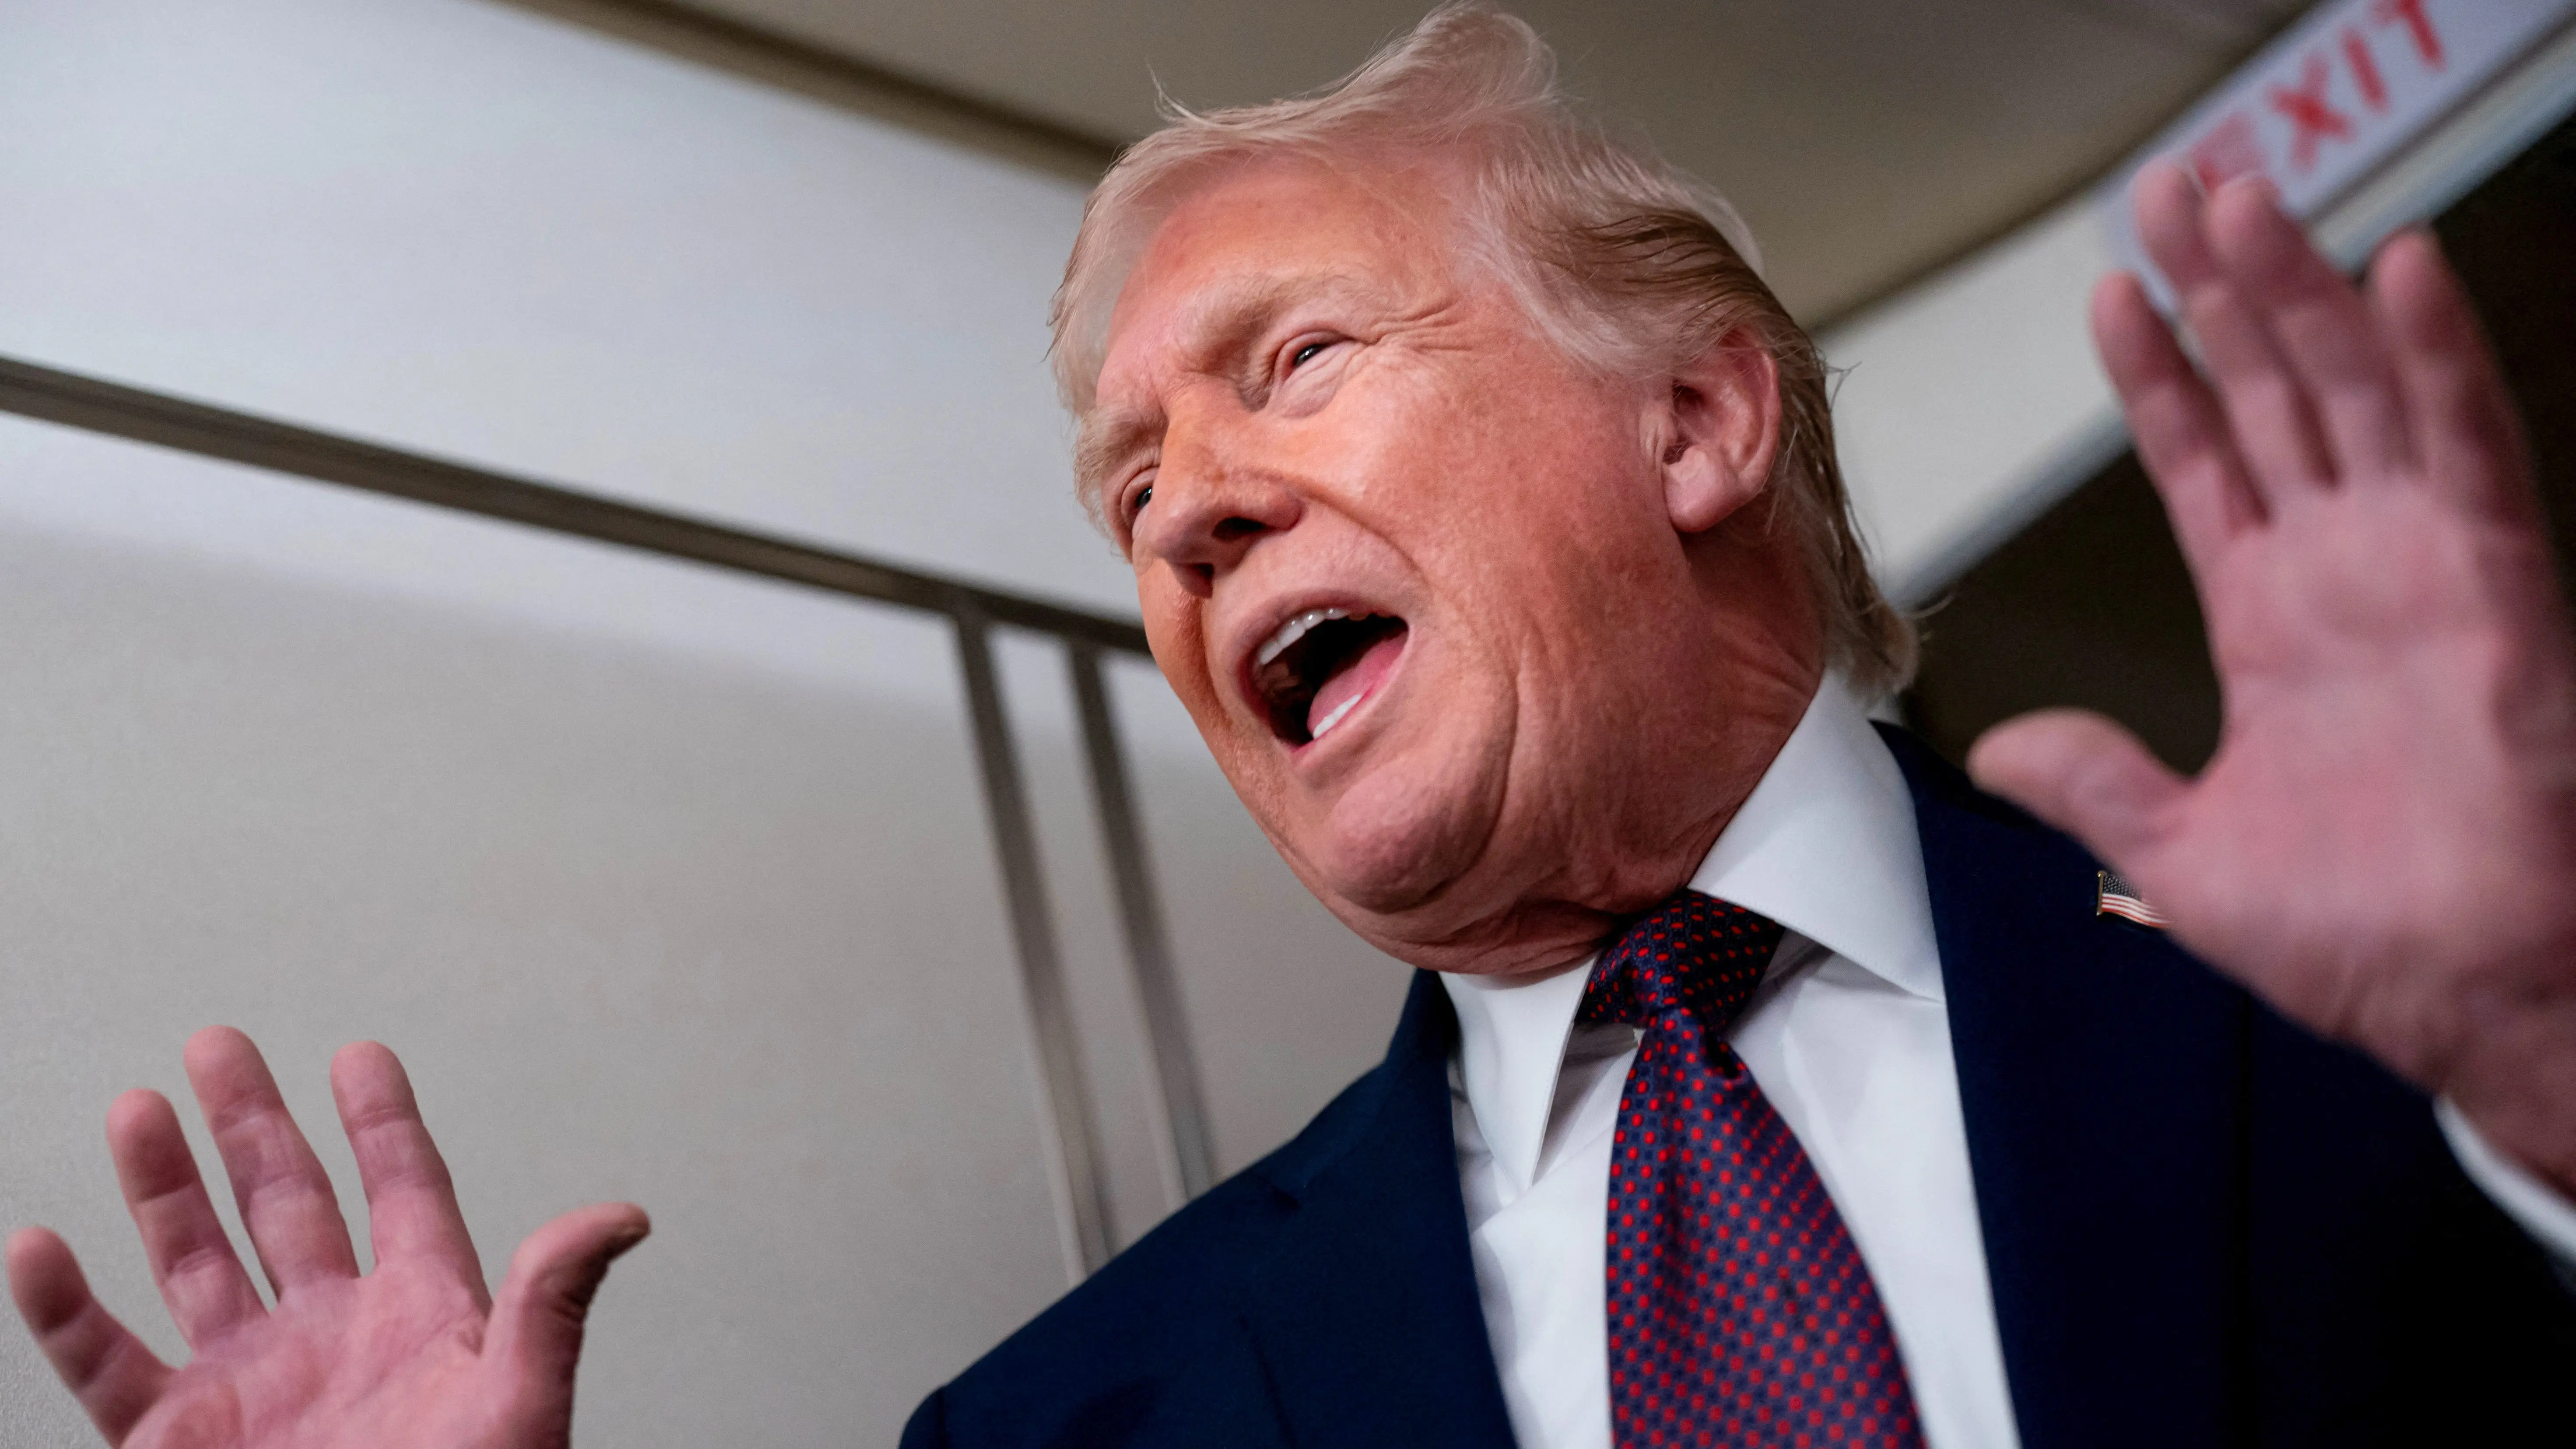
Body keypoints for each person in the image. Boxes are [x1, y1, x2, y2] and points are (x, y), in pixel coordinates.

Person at [11, 7, 2576, 1446]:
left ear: (1692, 423)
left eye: (1299, 369)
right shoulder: (1057, 1432)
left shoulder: (2372, 1020)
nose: (1189, 521)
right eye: (1129, 490)